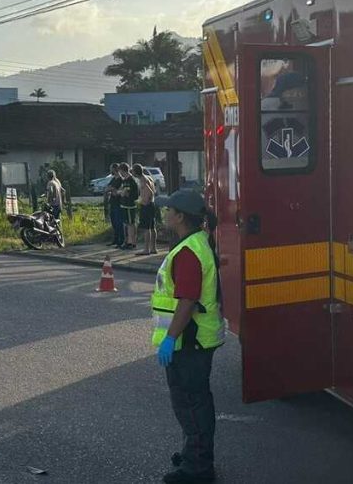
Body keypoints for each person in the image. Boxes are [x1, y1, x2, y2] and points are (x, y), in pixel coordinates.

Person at [151, 190, 225, 484]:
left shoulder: (188, 252)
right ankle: (194, 454)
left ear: (180, 216)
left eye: (168, 210)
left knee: (192, 405)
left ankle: (198, 469)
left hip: (189, 342)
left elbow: (187, 301)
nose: (164, 214)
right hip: (193, 341)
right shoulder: (197, 241)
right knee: (192, 403)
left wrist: (170, 338)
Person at [135, 164, 159, 256]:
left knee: (146, 228)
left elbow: (150, 191)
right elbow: (154, 190)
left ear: (135, 172)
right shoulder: (149, 178)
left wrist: (146, 201)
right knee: (152, 227)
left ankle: (146, 249)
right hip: (152, 204)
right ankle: (153, 248)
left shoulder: (142, 180)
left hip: (147, 205)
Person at [118, 163, 140, 250]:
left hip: (130, 206)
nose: (120, 173)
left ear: (123, 170)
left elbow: (136, 195)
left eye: (120, 171)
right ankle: (126, 241)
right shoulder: (124, 181)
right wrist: (120, 192)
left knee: (131, 224)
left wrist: (127, 194)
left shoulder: (132, 181)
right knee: (125, 224)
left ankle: (132, 242)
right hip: (123, 205)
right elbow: (122, 190)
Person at [105, 163, 125, 248]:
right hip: (112, 202)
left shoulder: (121, 179)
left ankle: (121, 240)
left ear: (114, 169)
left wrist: (113, 190)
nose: (110, 170)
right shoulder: (113, 179)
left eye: (111, 168)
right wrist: (112, 189)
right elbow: (107, 188)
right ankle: (115, 239)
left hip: (118, 203)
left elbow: (118, 192)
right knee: (113, 222)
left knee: (118, 222)